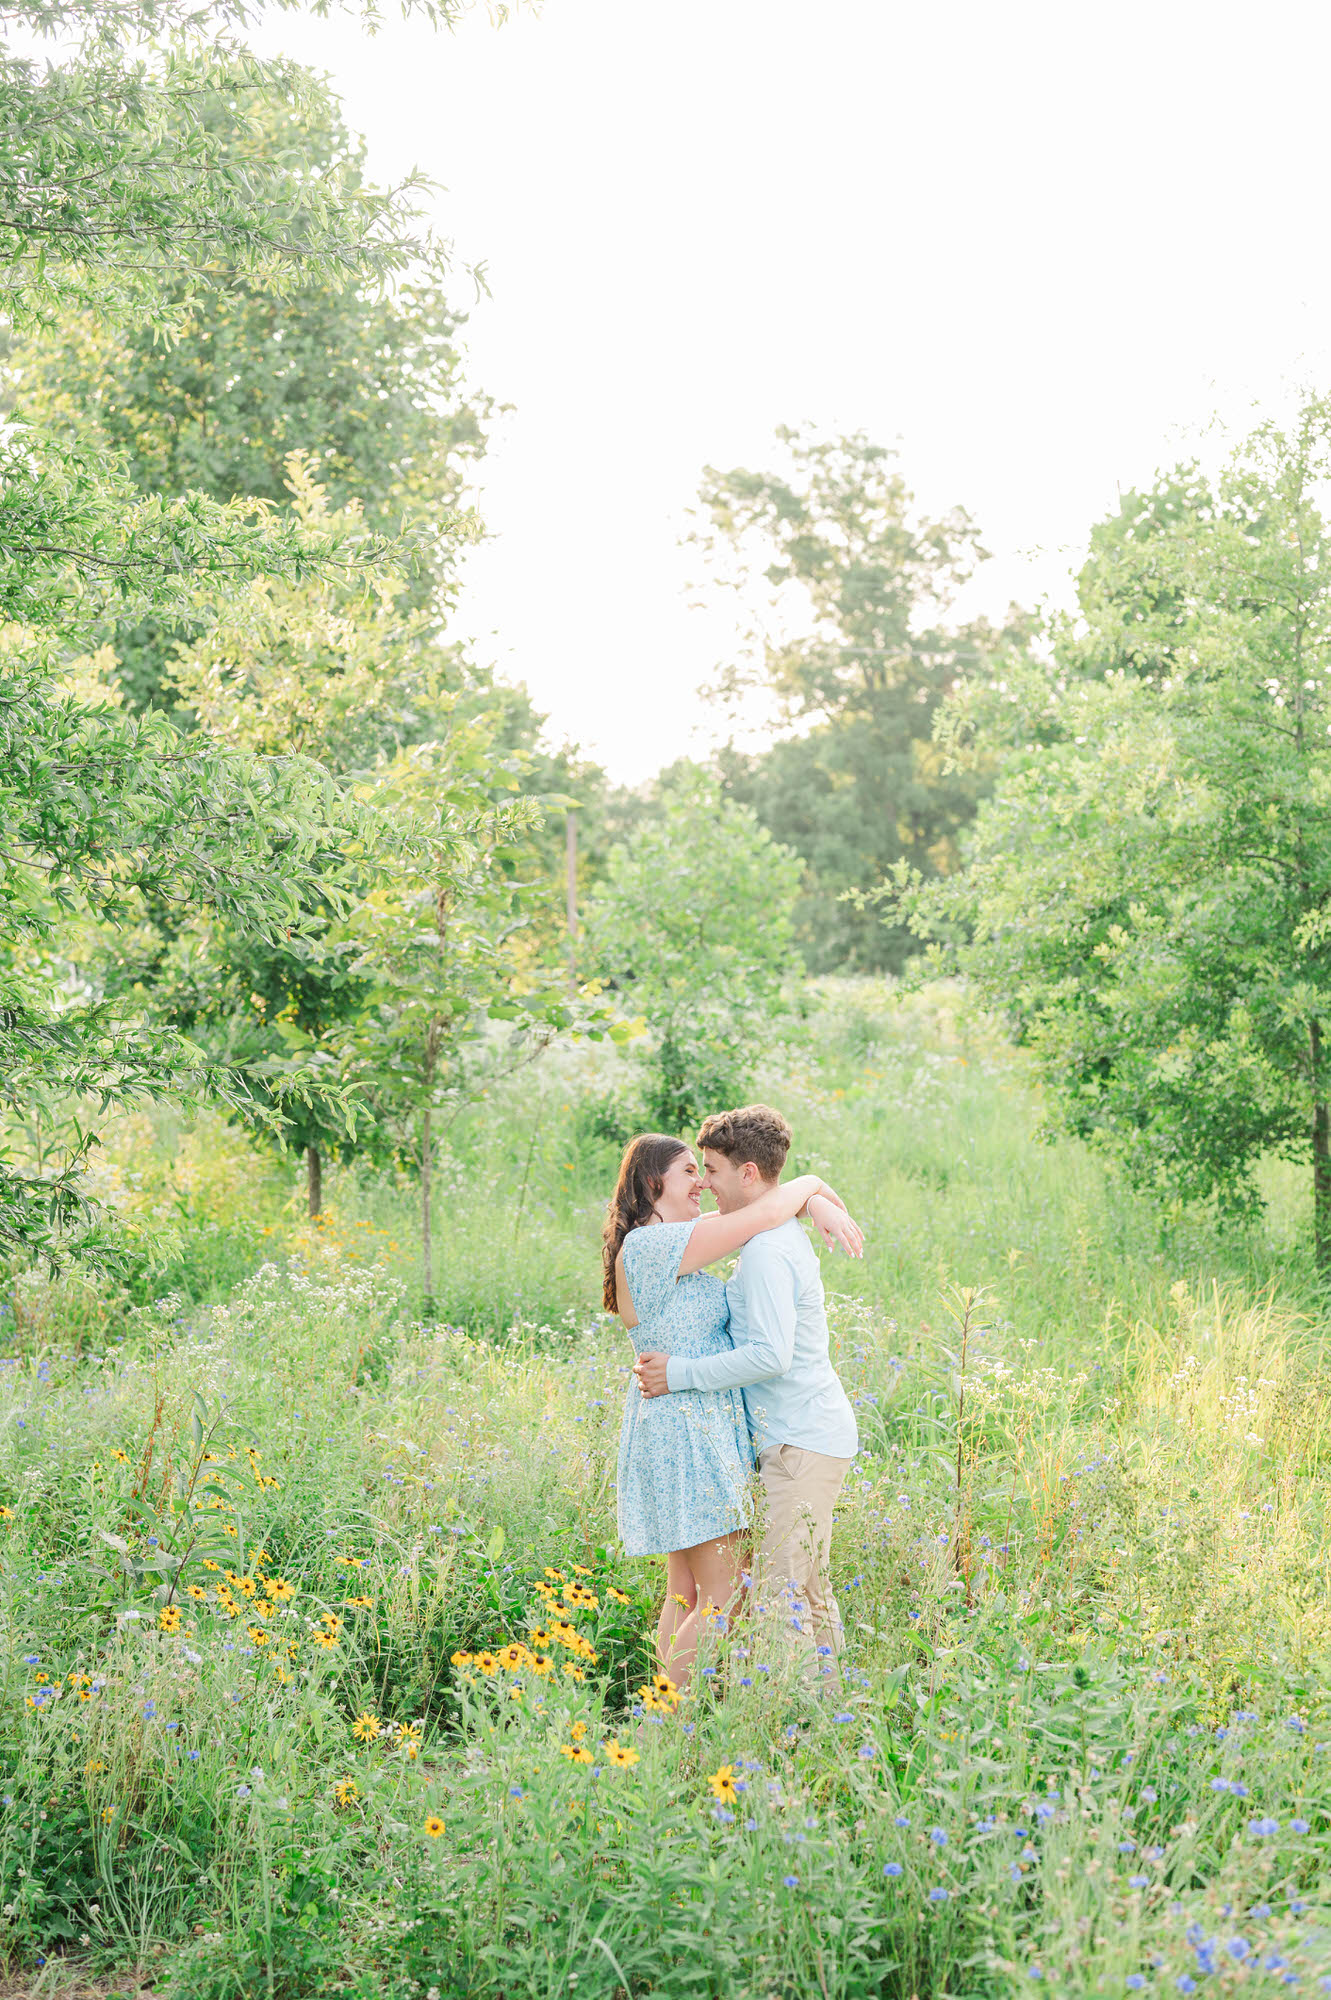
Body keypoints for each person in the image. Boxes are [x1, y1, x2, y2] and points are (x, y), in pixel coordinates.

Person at [605, 1131, 862, 1686]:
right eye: (689, 1172)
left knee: (688, 1591)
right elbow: (763, 1211)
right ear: (654, 1184)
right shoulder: (654, 1248)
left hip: (687, 1424)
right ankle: (666, 1717)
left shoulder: (673, 1249)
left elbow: (764, 1212)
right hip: (686, 1430)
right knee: (727, 1595)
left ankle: (667, 1721)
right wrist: (813, 1185)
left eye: (705, 1170)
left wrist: (811, 1197)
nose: (700, 1182)